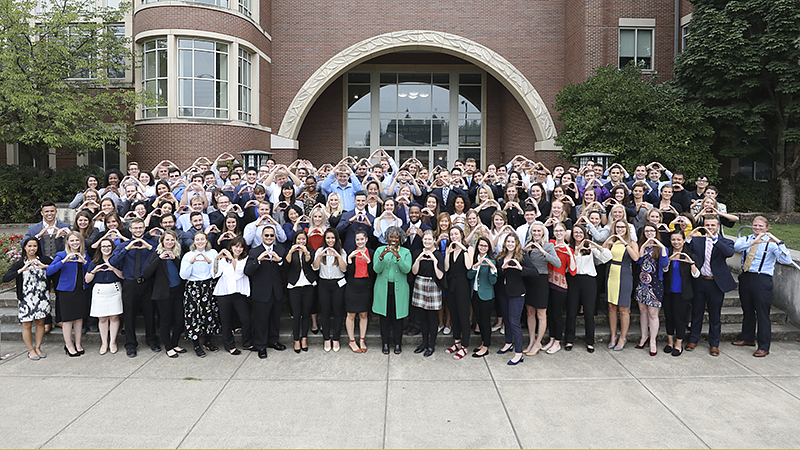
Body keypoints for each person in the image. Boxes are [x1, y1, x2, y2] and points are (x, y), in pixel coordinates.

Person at [732, 216, 792, 357]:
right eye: (755, 225)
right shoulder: (747, 240)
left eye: (760, 226)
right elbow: (736, 247)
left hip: (762, 279)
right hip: (746, 276)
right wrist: (755, 241)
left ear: (767, 228)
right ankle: (747, 338)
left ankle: (764, 346)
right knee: (747, 310)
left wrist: (778, 241)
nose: (757, 228)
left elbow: (787, 259)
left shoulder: (772, 244)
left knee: (762, 313)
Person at [109, 218, 160, 357]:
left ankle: (151, 340)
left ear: (144, 229)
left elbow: (161, 256)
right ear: (130, 229)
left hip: (147, 283)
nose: (138, 230)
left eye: (140, 228)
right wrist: (127, 248)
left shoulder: (152, 244)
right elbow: (113, 261)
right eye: (135, 228)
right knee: (129, 315)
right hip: (130, 284)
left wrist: (148, 247)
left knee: (149, 314)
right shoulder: (123, 246)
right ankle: (131, 344)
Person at [685, 215, 735, 356]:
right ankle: (693, 339)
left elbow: (729, 253)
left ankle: (714, 344)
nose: (710, 228)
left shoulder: (726, 242)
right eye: (707, 225)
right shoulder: (698, 241)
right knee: (697, 313)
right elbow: (685, 247)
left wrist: (714, 239)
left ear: (718, 227)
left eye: (713, 225)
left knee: (715, 315)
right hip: (700, 281)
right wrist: (690, 236)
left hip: (716, 283)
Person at [2, 237, 52, 360]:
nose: (32, 248)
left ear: (38, 247)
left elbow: (55, 271)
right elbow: (6, 278)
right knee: (27, 324)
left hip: (42, 297)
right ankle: (30, 349)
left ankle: (38, 346)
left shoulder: (45, 260)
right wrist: (21, 270)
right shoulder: (19, 263)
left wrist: (44, 266)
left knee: (41, 322)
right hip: (26, 299)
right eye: (29, 246)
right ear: (24, 247)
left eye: (34, 246)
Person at [566, 225, 611, 352]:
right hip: (574, 280)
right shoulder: (569, 248)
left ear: (585, 234)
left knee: (589, 312)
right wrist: (576, 251)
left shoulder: (589, 248)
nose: (578, 234)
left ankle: (590, 342)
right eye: (576, 232)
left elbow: (607, 257)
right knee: (571, 311)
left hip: (589, 281)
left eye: (581, 232)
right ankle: (569, 340)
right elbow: (569, 266)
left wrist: (595, 245)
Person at [244, 225, 287, 359]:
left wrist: (280, 261)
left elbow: (287, 269)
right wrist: (258, 260)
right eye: (266, 235)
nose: (269, 238)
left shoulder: (280, 249)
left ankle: (273, 341)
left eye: (271, 235)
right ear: (262, 237)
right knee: (261, 320)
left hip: (276, 291)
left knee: (275, 319)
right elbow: (247, 271)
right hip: (261, 292)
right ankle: (261, 345)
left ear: (275, 237)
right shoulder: (254, 252)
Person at [143, 230, 187, 358]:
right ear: (162, 241)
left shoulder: (178, 253)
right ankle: (168, 347)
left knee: (180, 320)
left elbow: (184, 272)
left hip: (178, 291)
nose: (170, 242)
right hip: (163, 293)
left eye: (172, 240)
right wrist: (159, 258)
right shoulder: (156, 254)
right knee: (165, 321)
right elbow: (146, 273)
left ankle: (175, 343)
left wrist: (175, 260)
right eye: (167, 240)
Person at [46, 232, 91, 357]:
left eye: (77, 240)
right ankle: (68, 345)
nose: (75, 243)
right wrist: (64, 261)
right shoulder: (61, 254)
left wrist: (84, 262)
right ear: (67, 242)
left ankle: (78, 343)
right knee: (67, 319)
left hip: (81, 290)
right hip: (66, 291)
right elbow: (49, 271)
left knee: (79, 318)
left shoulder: (85, 254)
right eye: (72, 240)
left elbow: (91, 270)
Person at [496, 233, 537, 365]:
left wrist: (520, 268)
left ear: (517, 243)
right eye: (508, 241)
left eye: (513, 242)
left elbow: (534, 272)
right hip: (503, 293)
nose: (510, 244)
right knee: (506, 320)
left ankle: (519, 354)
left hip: (517, 294)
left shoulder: (522, 257)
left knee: (514, 322)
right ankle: (508, 343)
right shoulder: (501, 256)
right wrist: (502, 268)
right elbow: (496, 273)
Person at [179, 231, 220, 357]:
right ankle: (196, 344)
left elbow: (216, 273)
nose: (200, 242)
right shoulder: (188, 255)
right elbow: (183, 275)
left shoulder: (213, 253)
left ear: (206, 240)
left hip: (208, 286)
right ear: (194, 241)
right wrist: (191, 262)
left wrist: (209, 262)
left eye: (202, 239)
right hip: (194, 287)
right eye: (197, 239)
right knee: (194, 316)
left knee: (210, 314)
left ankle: (208, 341)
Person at [373, 226, 412, 355]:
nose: (393, 239)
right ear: (387, 238)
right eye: (391, 236)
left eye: (396, 237)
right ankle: (385, 343)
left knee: (397, 319)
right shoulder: (379, 250)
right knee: (384, 318)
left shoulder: (405, 252)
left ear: (400, 238)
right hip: (383, 289)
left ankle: (397, 344)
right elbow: (376, 270)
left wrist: (398, 257)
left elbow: (407, 270)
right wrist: (382, 256)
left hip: (399, 290)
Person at [522, 221, 560, 355]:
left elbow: (557, 262)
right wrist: (524, 251)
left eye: (539, 231)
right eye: (534, 231)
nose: (536, 233)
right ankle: (531, 341)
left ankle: (538, 343)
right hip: (528, 280)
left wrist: (543, 252)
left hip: (541, 280)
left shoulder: (548, 245)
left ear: (543, 232)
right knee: (530, 312)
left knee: (541, 314)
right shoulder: (528, 244)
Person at [634, 223, 669, 356]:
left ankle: (653, 341)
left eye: (652, 231)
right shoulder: (641, 246)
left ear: (656, 232)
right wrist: (643, 246)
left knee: (653, 314)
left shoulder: (661, 248)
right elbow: (638, 261)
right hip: (642, 284)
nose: (649, 233)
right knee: (642, 312)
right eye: (647, 231)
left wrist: (660, 246)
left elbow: (665, 265)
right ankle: (644, 337)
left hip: (655, 284)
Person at [604, 219, 640, 351]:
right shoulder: (612, 241)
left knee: (623, 308)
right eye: (617, 227)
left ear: (627, 229)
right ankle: (613, 335)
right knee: (611, 307)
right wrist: (609, 241)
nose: (620, 229)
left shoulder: (632, 243)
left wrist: (625, 243)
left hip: (624, 274)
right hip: (611, 274)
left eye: (622, 227)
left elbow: (636, 257)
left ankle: (623, 337)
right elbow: (602, 253)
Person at [84, 238, 124, 355]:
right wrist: (94, 271)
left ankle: (112, 342)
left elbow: (123, 276)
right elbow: (87, 279)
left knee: (114, 317)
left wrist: (113, 269)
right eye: (104, 246)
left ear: (112, 248)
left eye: (108, 246)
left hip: (114, 290)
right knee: (102, 318)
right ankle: (104, 343)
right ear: (100, 249)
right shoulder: (94, 262)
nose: (106, 248)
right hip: (100, 291)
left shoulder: (117, 261)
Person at [662, 230, 699, 357]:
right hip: (668, 291)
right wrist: (669, 261)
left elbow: (696, 275)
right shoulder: (666, 252)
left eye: (678, 239)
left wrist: (691, 263)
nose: (676, 242)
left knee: (679, 319)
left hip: (682, 293)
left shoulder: (690, 254)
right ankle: (670, 342)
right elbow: (664, 271)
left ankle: (679, 344)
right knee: (669, 317)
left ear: (683, 240)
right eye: (673, 240)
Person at [213, 236, 251, 356]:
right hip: (224, 293)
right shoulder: (224, 260)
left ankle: (247, 343)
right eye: (235, 246)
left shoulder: (246, 259)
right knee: (226, 321)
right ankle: (230, 346)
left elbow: (240, 272)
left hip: (239, 293)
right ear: (231, 247)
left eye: (240, 247)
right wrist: (217, 259)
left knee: (246, 319)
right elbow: (215, 274)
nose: (238, 249)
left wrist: (232, 259)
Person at [410, 230, 445, 357]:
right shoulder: (417, 252)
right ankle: (423, 343)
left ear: (434, 240)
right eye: (425, 239)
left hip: (433, 285)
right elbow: (414, 272)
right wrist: (418, 259)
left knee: (432, 318)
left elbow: (440, 276)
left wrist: (435, 261)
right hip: (420, 283)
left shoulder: (438, 255)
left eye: (430, 239)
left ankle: (431, 345)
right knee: (422, 317)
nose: (427, 242)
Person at [313, 227, 348, 352]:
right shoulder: (319, 251)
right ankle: (326, 339)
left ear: (337, 239)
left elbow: (344, 269)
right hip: (323, 283)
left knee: (338, 312)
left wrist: (338, 255)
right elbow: (315, 268)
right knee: (325, 312)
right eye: (328, 238)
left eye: (332, 238)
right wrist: (320, 255)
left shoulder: (342, 252)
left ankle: (336, 339)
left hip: (338, 284)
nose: (330, 240)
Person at [444, 226, 475, 360]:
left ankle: (464, 345)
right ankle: (456, 341)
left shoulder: (469, 249)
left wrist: (461, 246)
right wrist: (448, 253)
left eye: (456, 234)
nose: (454, 237)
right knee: (454, 314)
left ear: (461, 235)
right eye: (452, 235)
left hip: (463, 284)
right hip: (451, 284)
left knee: (463, 315)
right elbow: (446, 268)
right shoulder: (449, 249)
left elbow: (469, 266)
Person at [544, 222, 573, 354]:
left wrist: (570, 253)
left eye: (561, 230)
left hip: (560, 284)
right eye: (556, 230)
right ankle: (551, 339)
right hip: (547, 282)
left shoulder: (568, 249)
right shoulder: (550, 243)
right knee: (549, 313)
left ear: (565, 232)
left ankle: (557, 341)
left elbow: (572, 270)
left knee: (557, 314)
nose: (559, 233)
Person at [286, 231, 317, 353]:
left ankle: (304, 338)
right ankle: (296, 340)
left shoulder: (310, 251)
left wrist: (306, 252)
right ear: (295, 240)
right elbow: (286, 265)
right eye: (299, 239)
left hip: (308, 285)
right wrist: (290, 251)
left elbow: (310, 263)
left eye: (303, 239)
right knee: (296, 315)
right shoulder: (290, 251)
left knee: (306, 313)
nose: (301, 241)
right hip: (294, 287)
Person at [466, 236, 498, 358]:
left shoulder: (491, 261)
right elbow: (469, 276)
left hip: (486, 296)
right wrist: (475, 266)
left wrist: (493, 269)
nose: (482, 248)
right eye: (481, 245)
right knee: (479, 320)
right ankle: (483, 342)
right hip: (475, 294)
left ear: (488, 247)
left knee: (485, 322)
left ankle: (486, 346)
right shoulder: (474, 259)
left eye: (485, 246)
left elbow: (492, 281)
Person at [345, 229, 374, 353]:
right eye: (358, 239)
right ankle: (352, 341)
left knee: (363, 314)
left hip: (365, 287)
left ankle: (362, 339)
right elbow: (348, 273)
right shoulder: (351, 253)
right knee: (351, 315)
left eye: (362, 239)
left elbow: (374, 273)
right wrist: (350, 260)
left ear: (366, 239)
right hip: (352, 287)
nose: (360, 241)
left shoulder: (371, 253)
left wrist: (368, 261)